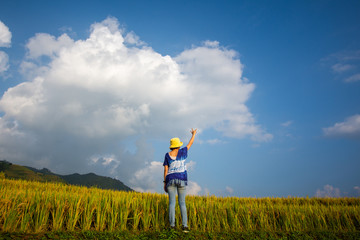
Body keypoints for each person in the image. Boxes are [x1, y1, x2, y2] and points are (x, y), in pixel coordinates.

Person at [163, 128, 197, 232]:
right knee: (182, 203)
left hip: (170, 179)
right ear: (179, 145)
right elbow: (190, 143)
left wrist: (165, 183)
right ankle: (185, 226)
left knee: (171, 203)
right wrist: (194, 134)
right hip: (181, 179)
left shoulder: (167, 155)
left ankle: (172, 226)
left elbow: (165, 169)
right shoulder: (183, 152)